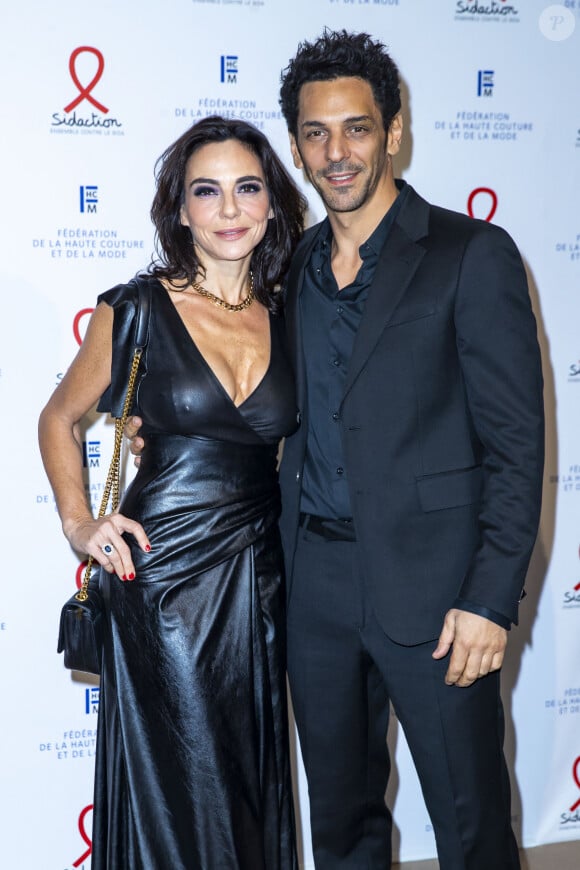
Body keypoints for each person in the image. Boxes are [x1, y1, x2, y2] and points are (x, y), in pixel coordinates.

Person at [275, 29, 544, 870]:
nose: (337, 152)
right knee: (342, 822)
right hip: (314, 581)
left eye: (356, 127)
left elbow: (516, 443)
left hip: (438, 595)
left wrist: (491, 599)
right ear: (295, 148)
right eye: (316, 134)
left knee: (469, 826)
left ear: (394, 131)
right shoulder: (291, 269)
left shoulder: (471, 255)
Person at [38, 115, 306, 869]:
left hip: (258, 578)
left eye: (247, 188)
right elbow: (60, 418)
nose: (229, 210)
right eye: (207, 191)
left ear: (272, 202)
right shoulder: (136, 310)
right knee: (188, 786)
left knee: (249, 782)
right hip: (163, 577)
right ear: (179, 208)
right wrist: (79, 522)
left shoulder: (289, 312)